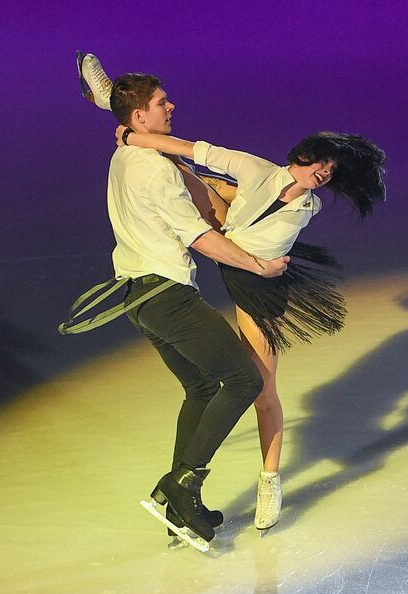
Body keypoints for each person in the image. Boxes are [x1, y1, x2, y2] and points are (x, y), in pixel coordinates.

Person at [79, 53, 386, 530]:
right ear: (300, 156)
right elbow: (186, 151)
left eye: (332, 170)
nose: (325, 172)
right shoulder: (255, 168)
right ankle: (182, 488)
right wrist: (132, 135)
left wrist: (129, 135)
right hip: (233, 252)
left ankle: (269, 480)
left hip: (256, 284)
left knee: (261, 390)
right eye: (321, 161)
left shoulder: (306, 207)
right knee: (185, 172)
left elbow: (215, 216)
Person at [97, 69, 290, 549]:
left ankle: (183, 504)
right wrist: (259, 267)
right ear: (141, 114)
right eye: (163, 103)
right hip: (169, 298)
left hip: (137, 301)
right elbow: (203, 238)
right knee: (245, 381)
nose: (172, 107)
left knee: (202, 386)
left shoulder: (123, 156)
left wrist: (127, 132)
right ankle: (183, 484)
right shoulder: (157, 169)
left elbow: (146, 144)